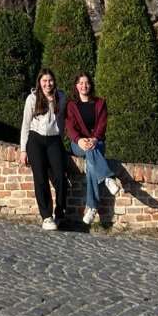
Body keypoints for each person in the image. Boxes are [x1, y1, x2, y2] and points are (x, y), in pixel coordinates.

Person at [64, 72, 123, 225]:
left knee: (91, 165)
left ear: (91, 85)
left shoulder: (100, 103)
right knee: (90, 152)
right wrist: (79, 140)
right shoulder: (71, 105)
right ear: (76, 86)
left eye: (87, 83)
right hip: (78, 144)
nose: (84, 86)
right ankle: (107, 178)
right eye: (81, 83)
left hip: (97, 143)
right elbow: (70, 127)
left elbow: (102, 125)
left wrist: (94, 139)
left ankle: (92, 207)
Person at [19, 68, 67, 230]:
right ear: (39, 82)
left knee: (60, 176)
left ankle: (60, 212)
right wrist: (23, 150)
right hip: (35, 139)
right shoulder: (32, 99)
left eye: (50, 80)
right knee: (40, 177)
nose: (48, 84)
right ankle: (46, 216)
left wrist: (62, 142)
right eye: (44, 81)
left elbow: (61, 121)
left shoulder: (61, 97)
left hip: (54, 139)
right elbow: (26, 125)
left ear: (54, 81)